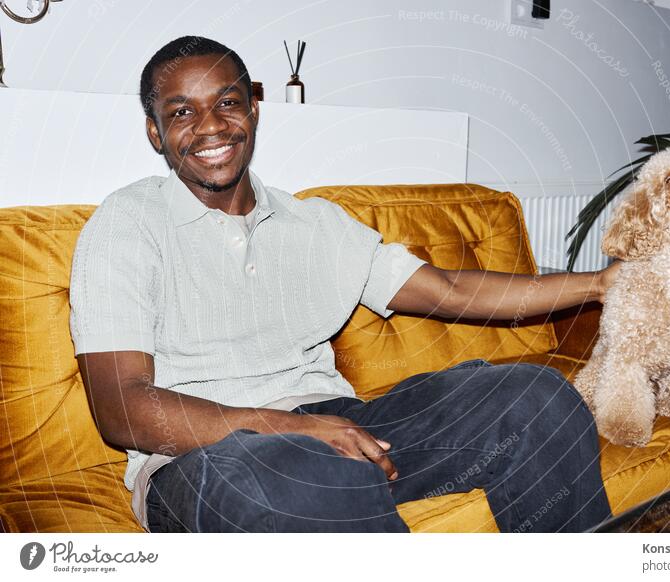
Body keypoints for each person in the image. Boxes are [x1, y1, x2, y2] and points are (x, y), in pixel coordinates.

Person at [69, 36, 619, 533]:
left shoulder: (315, 223)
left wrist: (600, 283)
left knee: (534, 397)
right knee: (315, 479)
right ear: (155, 131)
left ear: (254, 111)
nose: (210, 125)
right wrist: (289, 430)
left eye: (227, 102)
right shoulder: (128, 223)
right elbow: (122, 409)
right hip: (206, 458)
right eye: (182, 112)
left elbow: (449, 289)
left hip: (333, 424)